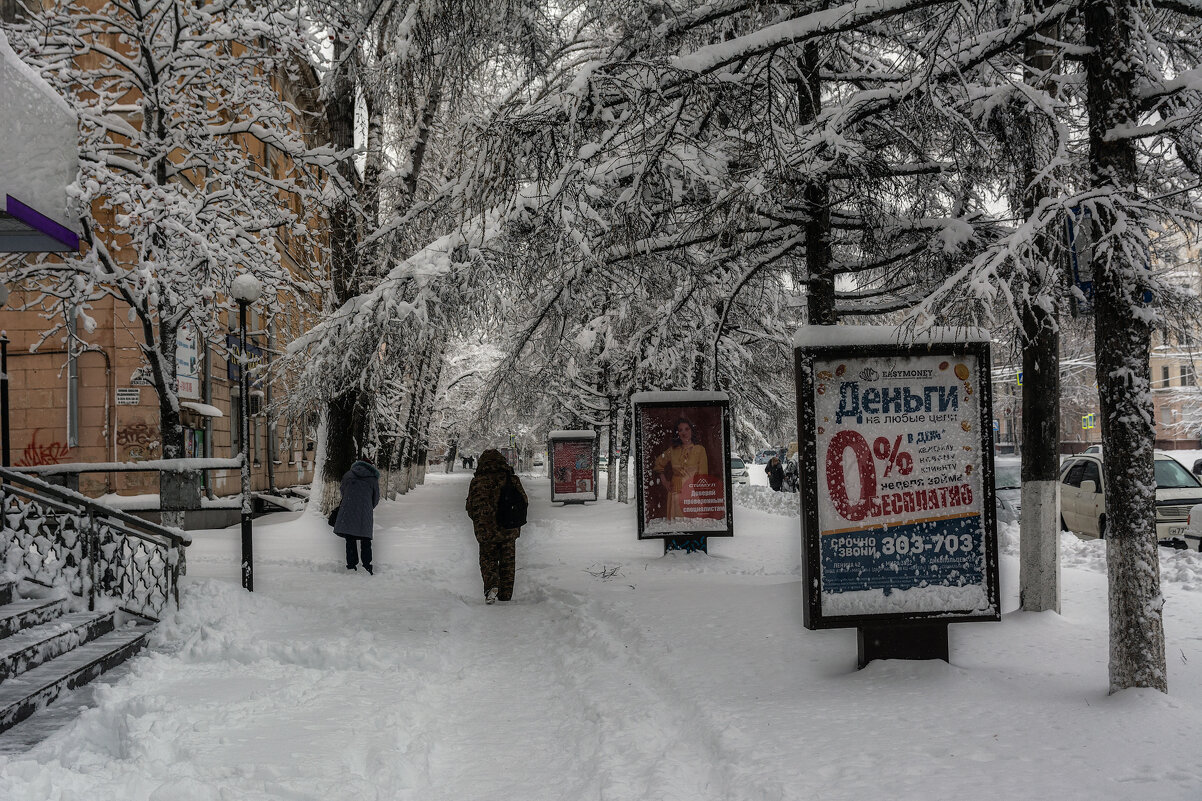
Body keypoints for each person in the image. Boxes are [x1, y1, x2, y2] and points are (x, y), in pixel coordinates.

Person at [465, 448, 528, 604]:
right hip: (508, 527)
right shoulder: (512, 480)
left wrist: (480, 519)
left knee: (488, 558)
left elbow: (470, 507)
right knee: (508, 561)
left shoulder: (477, 482)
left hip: (485, 529)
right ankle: (506, 594)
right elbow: (524, 501)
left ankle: (491, 585)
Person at [652, 417, 709, 520]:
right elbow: (658, 463)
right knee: (677, 525)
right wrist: (665, 481)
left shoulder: (700, 450)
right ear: (677, 433)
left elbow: (703, 475)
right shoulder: (672, 451)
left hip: (692, 493)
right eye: (680, 430)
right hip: (675, 493)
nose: (684, 433)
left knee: (692, 526)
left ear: (692, 430)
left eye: (687, 429)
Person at [334, 457, 381, 573]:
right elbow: (376, 498)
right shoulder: (373, 478)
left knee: (350, 538)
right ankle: (367, 565)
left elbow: (343, 491)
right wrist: (368, 507)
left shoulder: (348, 475)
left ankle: (351, 564)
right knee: (366, 539)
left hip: (348, 509)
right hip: (365, 511)